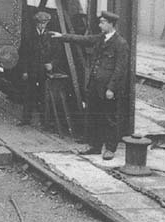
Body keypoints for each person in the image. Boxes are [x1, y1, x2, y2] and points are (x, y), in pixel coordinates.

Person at [50, 10, 129, 159]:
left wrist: (111, 88)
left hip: (107, 88)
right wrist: (63, 37)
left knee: (109, 118)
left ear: (111, 24)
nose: (100, 25)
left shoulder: (120, 43)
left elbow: (120, 70)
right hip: (95, 86)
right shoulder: (101, 38)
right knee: (95, 116)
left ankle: (110, 149)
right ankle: (95, 146)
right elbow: (82, 39)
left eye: (103, 22)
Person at [18, 10, 55, 125]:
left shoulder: (50, 36)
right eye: (40, 23)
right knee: (29, 94)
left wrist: (52, 64)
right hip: (31, 70)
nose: (42, 25)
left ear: (47, 23)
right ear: (36, 23)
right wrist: (24, 71)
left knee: (44, 95)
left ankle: (44, 121)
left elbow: (57, 53)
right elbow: (24, 55)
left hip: (44, 71)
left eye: (44, 23)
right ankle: (26, 119)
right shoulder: (29, 36)